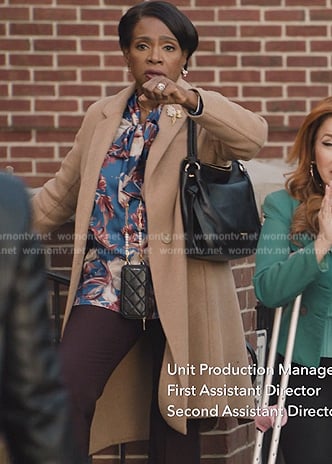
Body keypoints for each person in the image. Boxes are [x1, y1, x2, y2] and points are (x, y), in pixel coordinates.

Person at [32, 2, 268, 463]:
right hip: (106, 285)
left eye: (168, 47)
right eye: (143, 46)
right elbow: (60, 196)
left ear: (184, 60)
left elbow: (254, 136)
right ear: (127, 54)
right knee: (65, 392)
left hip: (182, 288)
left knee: (175, 422)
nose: (155, 56)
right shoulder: (102, 116)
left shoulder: (199, 118)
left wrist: (191, 99)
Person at [253, 96, 332, 464]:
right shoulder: (282, 206)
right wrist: (321, 245)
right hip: (303, 369)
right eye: (329, 144)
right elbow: (268, 288)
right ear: (312, 150)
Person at [0, 172, 83, 464]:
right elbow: (33, 398)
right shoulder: (7, 205)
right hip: (104, 288)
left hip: (174, 285)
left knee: (177, 404)